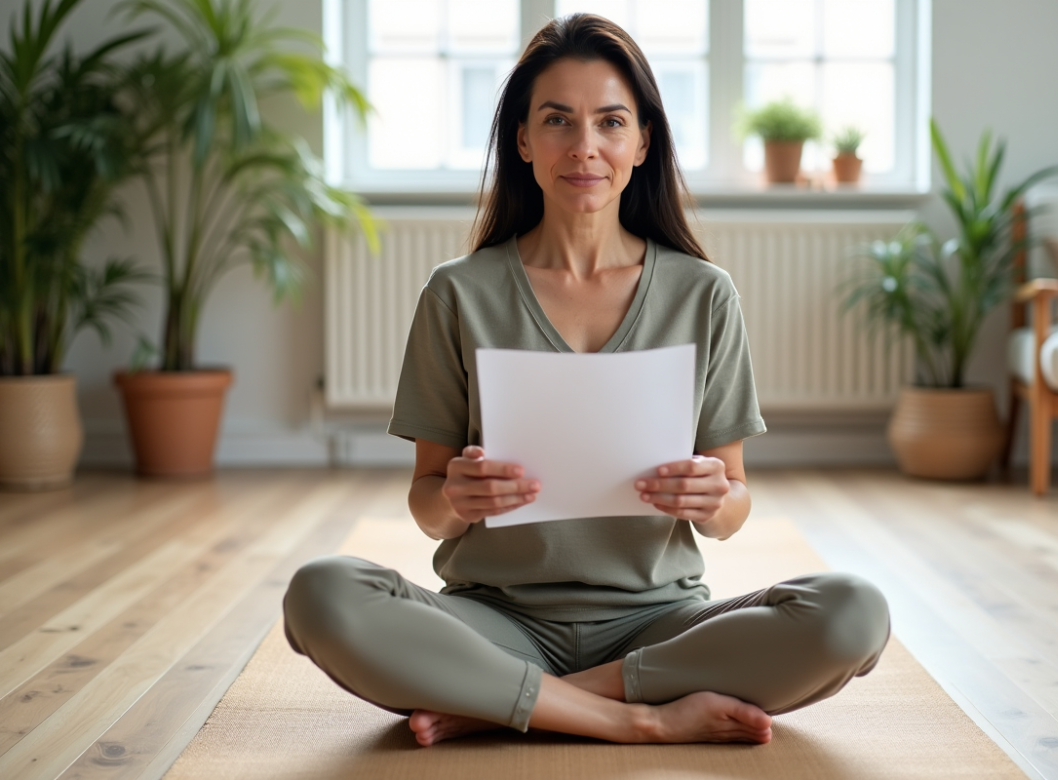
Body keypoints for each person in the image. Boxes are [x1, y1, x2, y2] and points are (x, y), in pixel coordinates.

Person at [283, 13, 890, 748]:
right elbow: (429, 507)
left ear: (642, 142)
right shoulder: (458, 293)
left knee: (855, 610)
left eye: (609, 122)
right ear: (523, 140)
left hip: (660, 629)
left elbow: (733, 505)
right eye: (558, 121)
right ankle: (635, 719)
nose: (585, 147)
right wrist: (455, 497)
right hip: (494, 622)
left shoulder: (703, 294)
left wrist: (711, 499)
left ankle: (519, 703)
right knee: (321, 593)